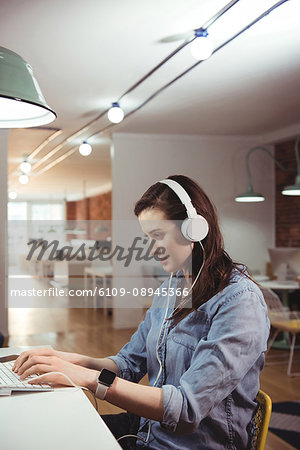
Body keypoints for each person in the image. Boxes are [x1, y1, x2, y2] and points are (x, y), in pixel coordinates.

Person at [13, 175, 270, 449]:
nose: (151, 249)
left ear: (194, 228)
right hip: (148, 430)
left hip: (189, 444)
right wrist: (69, 360)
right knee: (47, 434)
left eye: (158, 236)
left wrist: (88, 378)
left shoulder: (239, 301)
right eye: (148, 237)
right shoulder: (170, 290)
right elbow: (128, 365)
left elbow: (185, 410)